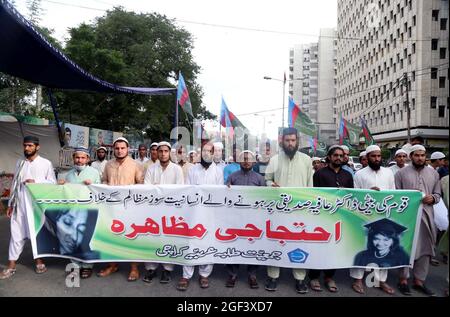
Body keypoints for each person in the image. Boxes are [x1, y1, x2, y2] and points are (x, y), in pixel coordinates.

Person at [264, 127, 313, 294]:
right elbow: (267, 180)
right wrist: (272, 185)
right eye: (287, 140)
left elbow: (310, 187)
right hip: (278, 210)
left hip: (299, 211)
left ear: (297, 141)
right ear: (282, 141)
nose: (290, 143)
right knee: (276, 242)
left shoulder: (307, 160)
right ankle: (273, 276)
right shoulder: (275, 160)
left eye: (293, 140)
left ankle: (299, 278)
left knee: (298, 243)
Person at [0, 136, 57, 279]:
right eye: (25, 145)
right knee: (16, 233)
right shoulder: (20, 163)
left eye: (30, 146)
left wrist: (36, 181)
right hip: (19, 205)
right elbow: (14, 184)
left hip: (35, 206)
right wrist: (11, 204)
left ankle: (39, 261)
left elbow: (52, 183)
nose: (27, 148)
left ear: (37, 147)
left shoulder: (45, 163)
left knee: (35, 233)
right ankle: (11, 265)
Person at [177, 140, 223, 291]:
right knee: (190, 243)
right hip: (193, 212)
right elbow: (188, 190)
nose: (206, 154)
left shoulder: (218, 171)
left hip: (210, 214)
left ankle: (204, 274)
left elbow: (219, 194)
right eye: (204, 151)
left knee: (207, 243)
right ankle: (186, 275)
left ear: (212, 153)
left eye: (209, 151)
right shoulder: (193, 170)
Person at [396, 144, 441, 296]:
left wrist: (433, 198)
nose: (420, 158)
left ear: (425, 157)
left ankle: (419, 281)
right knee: (405, 247)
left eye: (422, 155)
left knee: (426, 249)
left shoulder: (433, 174)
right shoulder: (401, 173)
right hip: (407, 217)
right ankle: (403, 280)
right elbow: (395, 194)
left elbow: (438, 194)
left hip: (427, 217)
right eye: (417, 155)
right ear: (411, 156)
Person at [351, 145, 396, 295]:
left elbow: (394, 193)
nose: (377, 159)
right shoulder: (359, 174)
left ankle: (380, 280)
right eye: (373, 156)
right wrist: (368, 193)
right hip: (364, 216)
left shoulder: (388, 173)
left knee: (383, 248)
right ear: (367, 157)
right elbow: (355, 196)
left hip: (384, 216)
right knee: (361, 247)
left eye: (378, 156)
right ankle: (358, 280)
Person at [97, 137, 144, 281]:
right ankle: (112, 265)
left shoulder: (135, 165)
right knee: (110, 236)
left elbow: (141, 184)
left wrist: (127, 191)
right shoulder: (108, 165)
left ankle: (134, 268)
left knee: (131, 237)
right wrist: (107, 187)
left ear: (127, 149)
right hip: (111, 206)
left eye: (122, 148)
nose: (120, 150)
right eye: (117, 148)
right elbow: (104, 180)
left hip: (129, 207)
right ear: (113, 149)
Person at [308, 145, 353, 293]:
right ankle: (314, 277)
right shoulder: (319, 174)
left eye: (341, 155)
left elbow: (351, 197)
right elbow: (313, 197)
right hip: (322, 218)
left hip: (339, 219)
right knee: (319, 248)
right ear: (329, 157)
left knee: (335, 248)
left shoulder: (348, 176)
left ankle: (329, 277)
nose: (338, 158)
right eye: (335, 155)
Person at [57, 147, 101, 279]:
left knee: (86, 239)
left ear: (87, 159)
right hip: (73, 211)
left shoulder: (94, 172)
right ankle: (75, 265)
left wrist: (92, 184)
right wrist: (61, 185)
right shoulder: (69, 174)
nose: (79, 160)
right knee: (73, 238)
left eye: (82, 158)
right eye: (77, 157)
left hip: (89, 212)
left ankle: (87, 266)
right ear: (73, 158)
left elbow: (100, 191)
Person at [143, 141, 184, 284]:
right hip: (153, 210)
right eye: (160, 151)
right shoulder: (151, 168)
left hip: (171, 210)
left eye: (166, 151)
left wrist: (158, 188)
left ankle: (167, 270)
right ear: (157, 153)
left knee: (168, 239)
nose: (163, 154)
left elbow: (179, 190)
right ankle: (151, 269)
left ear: (169, 152)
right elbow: (146, 188)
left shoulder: (177, 169)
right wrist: (157, 189)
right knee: (152, 238)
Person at [225, 150, 265, 289]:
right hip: (235, 218)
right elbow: (224, 196)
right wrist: (226, 188)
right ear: (239, 161)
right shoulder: (232, 177)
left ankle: (252, 274)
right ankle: (232, 274)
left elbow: (264, 200)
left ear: (254, 162)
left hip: (254, 220)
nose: (246, 161)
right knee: (234, 245)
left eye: (249, 159)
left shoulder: (260, 179)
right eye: (244, 159)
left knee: (253, 246)